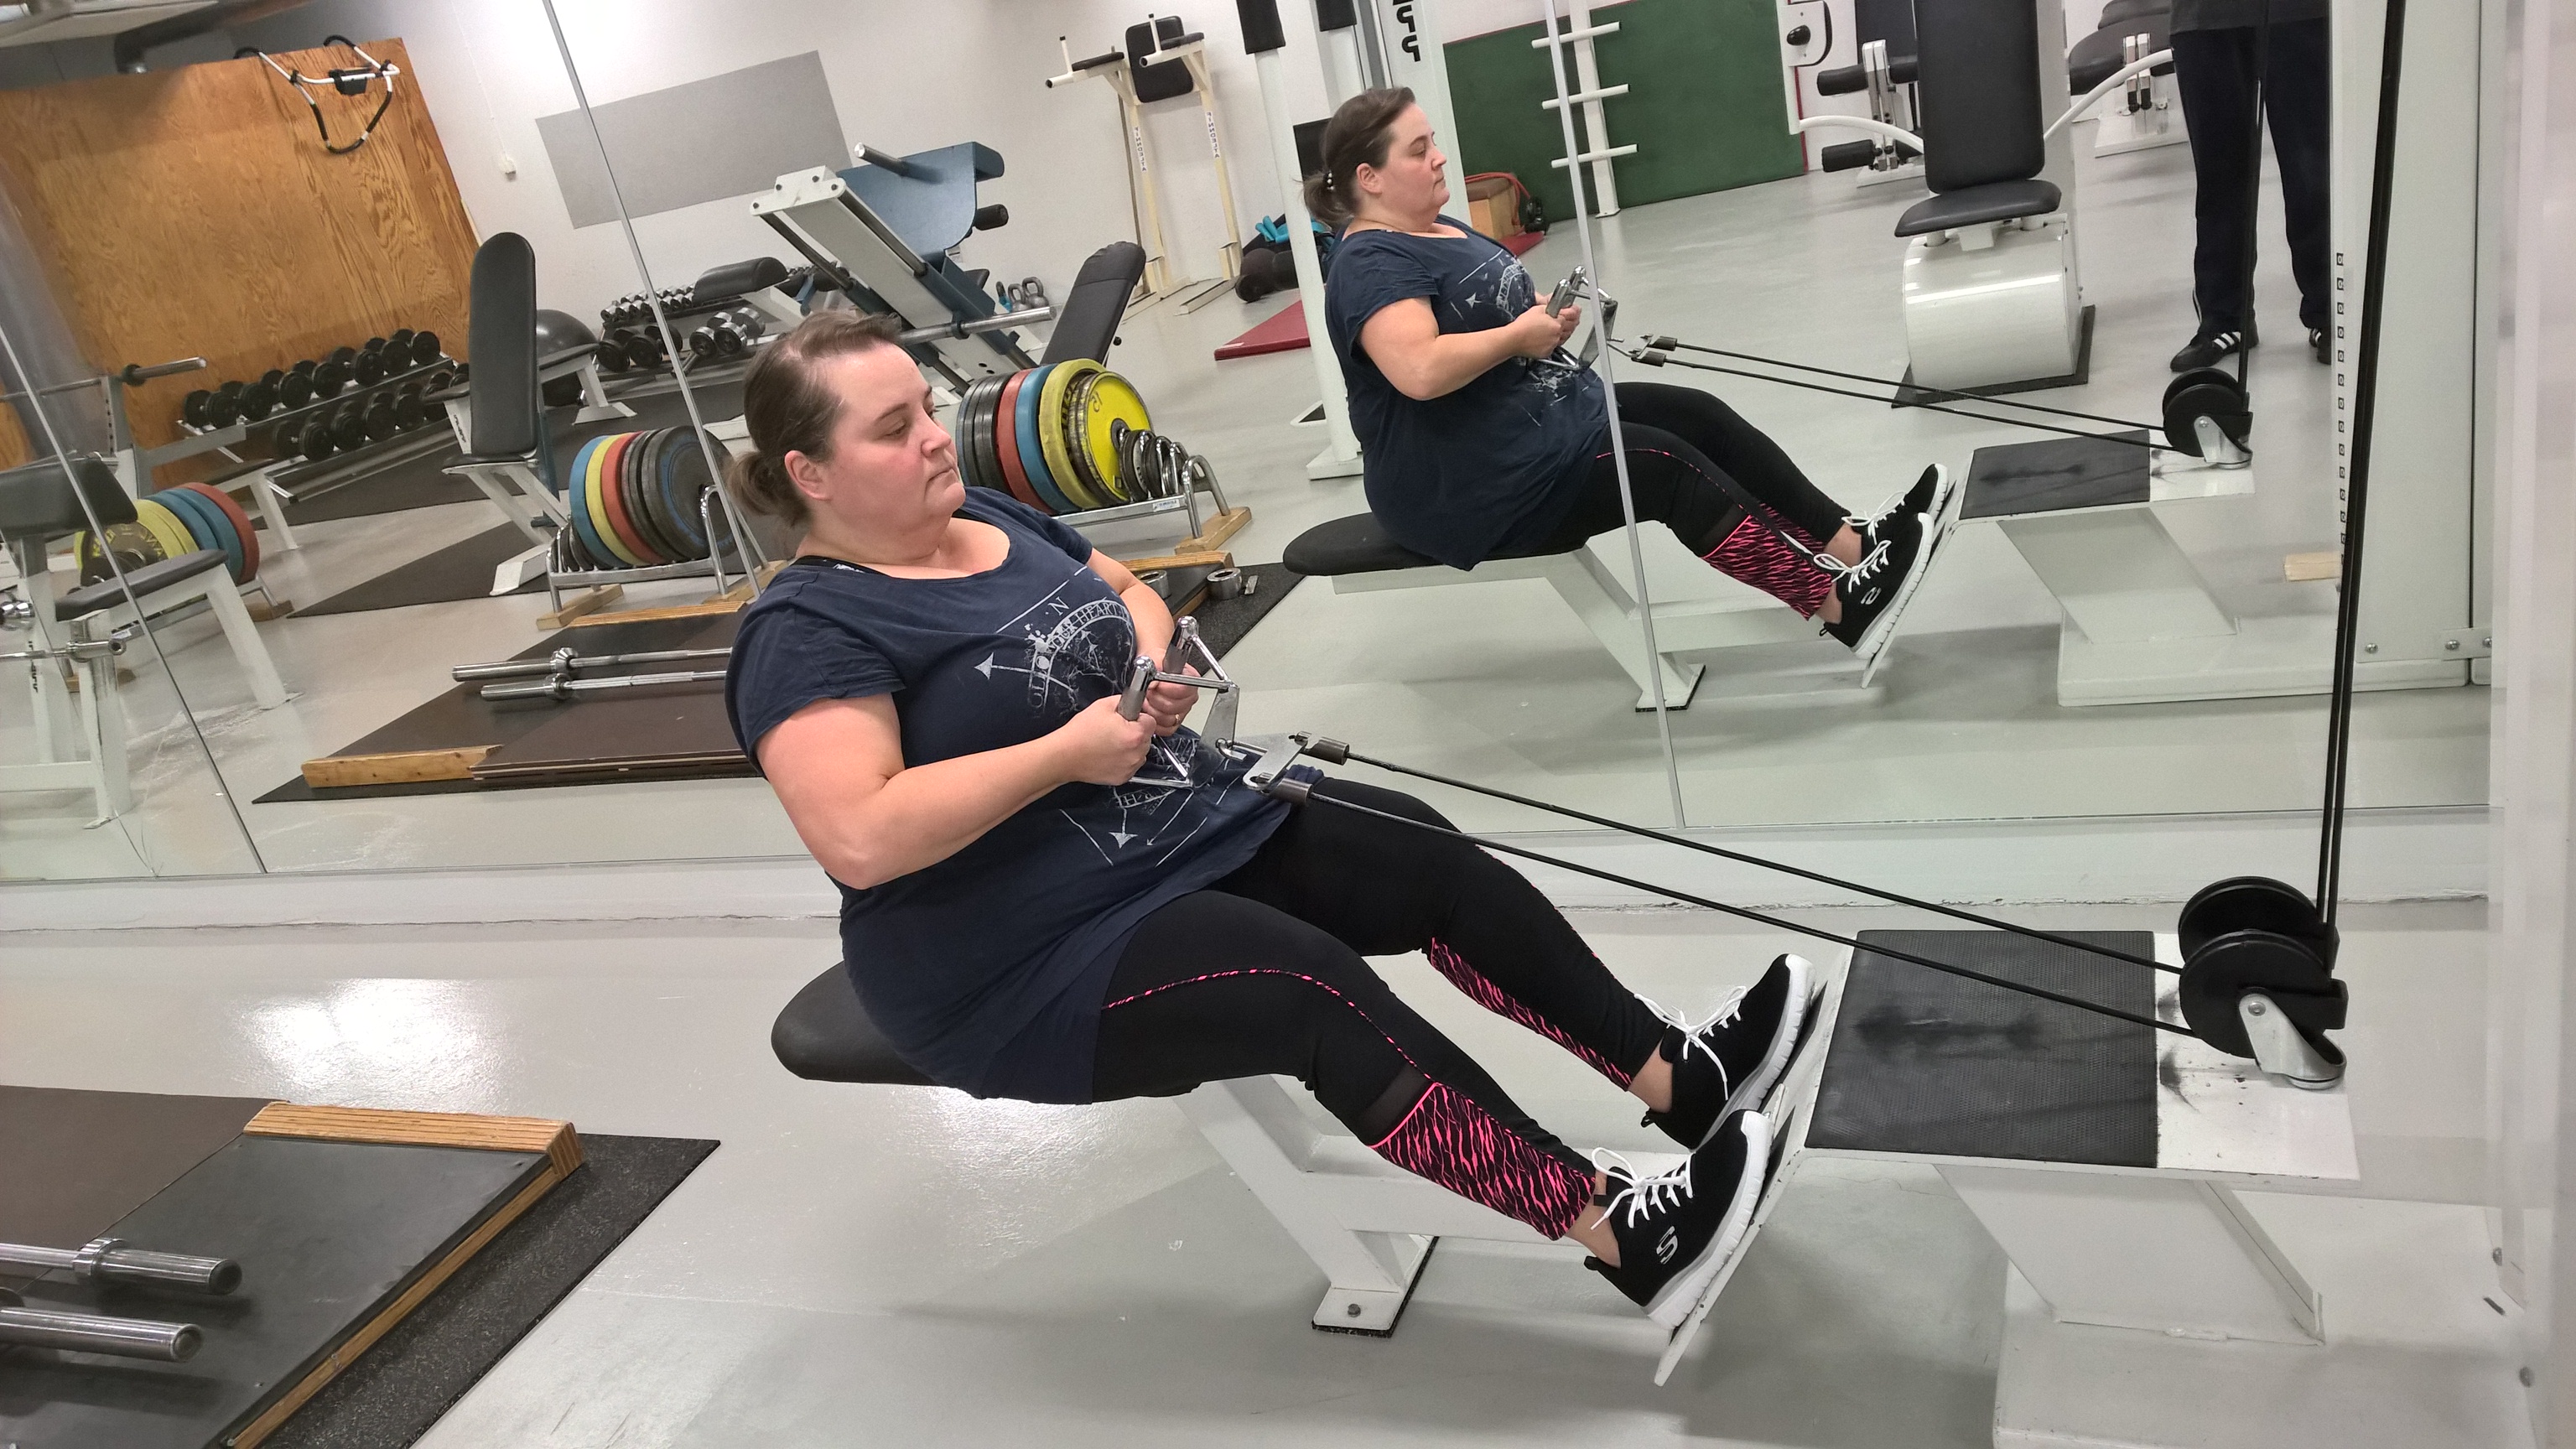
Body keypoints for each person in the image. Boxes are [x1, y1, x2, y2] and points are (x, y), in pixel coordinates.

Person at [723, 309, 1816, 1325]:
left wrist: (1148, 672)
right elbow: (860, 836)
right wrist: (1065, 752)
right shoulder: (808, 632)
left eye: (925, 407)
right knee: (1307, 988)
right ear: (809, 474)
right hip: (1018, 954)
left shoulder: (985, 515)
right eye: (892, 429)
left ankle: (1677, 1079)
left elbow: (1134, 592)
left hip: (1176, 825)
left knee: (1421, 854)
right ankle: (1624, 1235)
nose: (934, 437)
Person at [1307, 89, 1951, 663]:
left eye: (1433, 142)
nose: (1439, 158)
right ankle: (1839, 606)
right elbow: (1419, 370)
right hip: (1468, 486)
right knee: (1663, 468)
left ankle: (1850, 543)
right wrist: (1516, 337)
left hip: (1530, 428)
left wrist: (1537, 316)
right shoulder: (1370, 263)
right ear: (1370, 177)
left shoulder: (1434, 226)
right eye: (1419, 150)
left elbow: (1474, 315)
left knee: (1696, 415)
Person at [2168, 1, 2332, 370]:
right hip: (2203, 17)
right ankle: (2226, 320)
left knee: (2310, 169)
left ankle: (2329, 310)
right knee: (2219, 175)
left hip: (2298, 12)